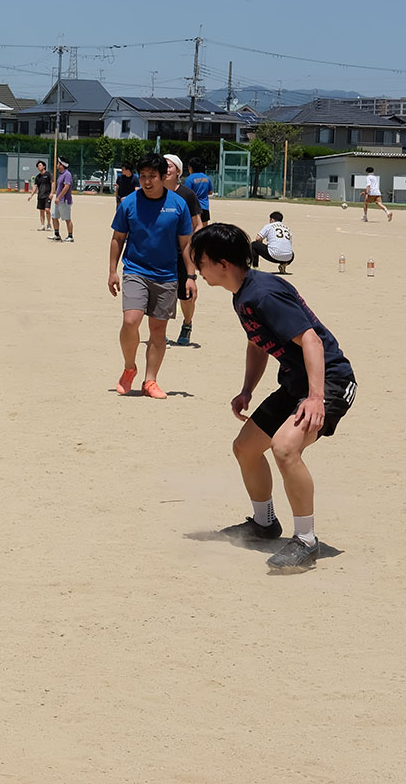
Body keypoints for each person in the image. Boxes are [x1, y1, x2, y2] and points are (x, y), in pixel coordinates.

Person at [190, 222, 357, 571]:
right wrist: (248, 389)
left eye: (200, 261)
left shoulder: (263, 293)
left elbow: (310, 339)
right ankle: (265, 523)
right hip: (297, 382)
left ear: (223, 264)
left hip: (329, 381)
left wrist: (314, 398)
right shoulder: (243, 295)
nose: (197, 269)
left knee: (285, 448)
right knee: (245, 447)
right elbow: (257, 342)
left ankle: (306, 541)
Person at [107, 153, 195, 400]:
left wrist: (191, 276)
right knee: (130, 321)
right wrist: (113, 271)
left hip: (167, 275)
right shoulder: (129, 203)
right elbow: (117, 239)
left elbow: (186, 243)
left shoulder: (178, 205)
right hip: (135, 270)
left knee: (158, 330)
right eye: (143, 176)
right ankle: (129, 367)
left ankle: (150, 380)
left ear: (163, 176)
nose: (146, 181)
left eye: (151, 176)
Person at [163, 154, 205, 346]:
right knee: (161, 292)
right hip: (161, 252)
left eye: (169, 166)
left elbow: (198, 224)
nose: (166, 169)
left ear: (178, 171)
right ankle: (159, 329)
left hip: (183, 253)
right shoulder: (154, 192)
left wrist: (193, 248)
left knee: (185, 295)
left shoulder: (187, 195)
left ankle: (187, 324)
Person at [50, 157, 74, 242]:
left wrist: (59, 197)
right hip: (58, 200)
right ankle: (57, 234)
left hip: (65, 200)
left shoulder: (67, 174)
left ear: (62, 165)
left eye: (58, 163)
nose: (57, 165)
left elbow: (66, 187)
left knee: (67, 218)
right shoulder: (61, 174)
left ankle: (70, 236)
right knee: (54, 216)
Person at [184, 157, 213, 222]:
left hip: (194, 208)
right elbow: (210, 192)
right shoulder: (206, 178)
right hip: (205, 207)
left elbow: (186, 194)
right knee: (205, 229)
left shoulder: (189, 179)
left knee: (195, 229)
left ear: (190, 167)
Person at [29, 159, 53, 230]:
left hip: (47, 195)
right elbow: (35, 187)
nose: (38, 167)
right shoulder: (37, 177)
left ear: (44, 166)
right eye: (38, 166)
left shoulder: (48, 174)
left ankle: (49, 224)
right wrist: (31, 195)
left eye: (40, 165)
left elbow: (53, 183)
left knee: (47, 210)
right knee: (41, 211)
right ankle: (42, 225)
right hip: (40, 196)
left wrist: (52, 193)